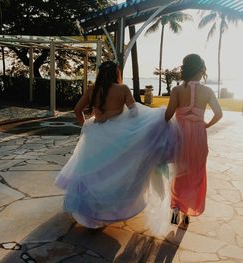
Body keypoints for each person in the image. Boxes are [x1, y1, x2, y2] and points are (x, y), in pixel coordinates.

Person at [55, 61, 181, 229]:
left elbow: (77, 110)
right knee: (114, 171)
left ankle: (90, 211)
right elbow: (135, 112)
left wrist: (86, 125)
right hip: (117, 135)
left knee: (92, 170)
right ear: (116, 73)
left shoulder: (92, 89)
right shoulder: (122, 89)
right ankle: (109, 209)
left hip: (95, 133)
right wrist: (128, 119)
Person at [165, 54, 223, 229]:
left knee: (179, 172)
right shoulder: (207, 91)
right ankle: (187, 212)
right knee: (195, 173)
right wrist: (205, 125)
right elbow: (219, 114)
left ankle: (175, 208)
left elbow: (167, 115)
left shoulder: (176, 90)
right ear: (200, 71)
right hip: (198, 135)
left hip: (180, 135)